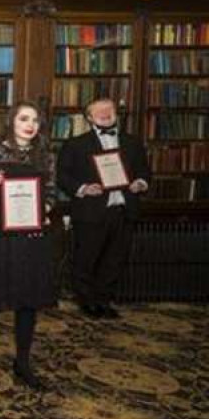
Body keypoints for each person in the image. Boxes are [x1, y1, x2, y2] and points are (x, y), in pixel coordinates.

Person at [0, 101, 56, 391]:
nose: (29, 125)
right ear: (12, 121)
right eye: (23, 118)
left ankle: (22, 362)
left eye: (35, 120)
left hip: (31, 235)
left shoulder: (45, 156)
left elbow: (52, 193)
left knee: (28, 299)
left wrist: (44, 208)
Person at [57, 97, 151, 320]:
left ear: (116, 113)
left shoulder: (133, 142)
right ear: (89, 118)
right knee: (85, 260)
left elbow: (144, 172)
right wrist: (83, 188)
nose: (106, 115)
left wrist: (141, 183)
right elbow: (62, 176)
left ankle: (104, 301)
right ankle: (87, 302)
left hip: (123, 210)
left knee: (114, 260)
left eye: (109, 110)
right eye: (100, 112)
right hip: (90, 212)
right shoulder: (75, 144)